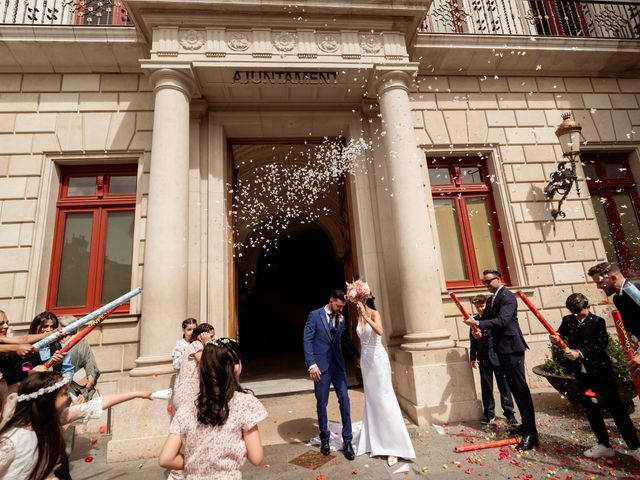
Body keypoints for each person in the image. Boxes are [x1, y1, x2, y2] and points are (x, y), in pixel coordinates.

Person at [0, 371, 152, 480]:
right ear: (47, 400)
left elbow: (95, 405)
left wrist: (137, 393)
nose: (69, 398)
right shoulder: (11, 441)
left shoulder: (53, 421)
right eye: (64, 393)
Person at [550, 293, 640, 461]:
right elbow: (559, 334)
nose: (576, 315)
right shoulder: (568, 320)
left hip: (601, 373)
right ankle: (604, 444)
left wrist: (580, 353)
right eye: (573, 312)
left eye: (579, 312)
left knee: (617, 409)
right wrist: (555, 338)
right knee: (591, 409)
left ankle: (635, 447)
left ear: (587, 307)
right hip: (582, 375)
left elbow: (600, 344)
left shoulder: (598, 322)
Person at [159, 338, 267, 479]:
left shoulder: (186, 409)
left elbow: (165, 459)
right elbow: (256, 458)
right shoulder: (244, 403)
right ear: (236, 367)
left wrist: (196, 461)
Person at [463, 269, 538, 451]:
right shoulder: (491, 299)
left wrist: (479, 323)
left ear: (499, 279)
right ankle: (525, 426)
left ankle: (531, 433)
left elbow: (503, 321)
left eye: (488, 281)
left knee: (520, 389)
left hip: (512, 348)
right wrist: (477, 327)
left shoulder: (508, 297)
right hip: (501, 350)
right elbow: (487, 319)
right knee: (513, 388)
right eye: (484, 282)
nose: (486, 285)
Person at [350, 289, 415, 467]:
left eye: (357, 301)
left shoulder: (374, 313)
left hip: (378, 360)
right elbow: (361, 338)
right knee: (371, 399)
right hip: (366, 360)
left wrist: (366, 316)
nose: (355, 305)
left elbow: (379, 331)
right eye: (354, 302)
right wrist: (359, 356)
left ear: (364, 300)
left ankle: (394, 446)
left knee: (384, 399)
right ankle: (373, 441)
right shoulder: (357, 316)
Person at [303, 290, 360, 460]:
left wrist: (359, 354)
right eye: (338, 306)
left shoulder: (340, 318)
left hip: (338, 366)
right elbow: (307, 340)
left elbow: (345, 339)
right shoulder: (314, 316)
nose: (340, 309)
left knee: (345, 399)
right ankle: (325, 439)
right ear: (331, 301)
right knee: (322, 402)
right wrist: (311, 364)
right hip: (320, 367)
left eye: (342, 307)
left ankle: (347, 440)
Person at [468, 294, 517, 426]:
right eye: (477, 307)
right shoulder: (474, 321)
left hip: (498, 357)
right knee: (486, 387)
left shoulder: (493, 319)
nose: (480, 309)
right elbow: (473, 341)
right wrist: (473, 356)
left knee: (504, 386)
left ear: (486, 305)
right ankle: (489, 413)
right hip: (483, 358)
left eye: (482, 306)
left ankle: (509, 413)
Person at [587, 262, 640, 376]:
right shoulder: (618, 298)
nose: (598, 286)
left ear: (613, 278)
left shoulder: (636, 291)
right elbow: (629, 326)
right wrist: (628, 340)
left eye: (599, 282)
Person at [172, 323, 214, 412]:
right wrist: (208, 343)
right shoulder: (196, 344)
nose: (212, 339)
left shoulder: (197, 346)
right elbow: (205, 363)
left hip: (190, 389)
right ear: (200, 336)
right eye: (210, 336)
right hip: (190, 391)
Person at [59, 316, 100, 400]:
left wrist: (91, 377)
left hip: (74, 388)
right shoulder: (53, 341)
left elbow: (89, 361)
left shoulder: (80, 341)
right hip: (55, 387)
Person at [27, 312, 74, 379]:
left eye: (52, 326)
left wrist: (63, 383)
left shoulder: (61, 347)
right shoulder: (26, 348)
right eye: (45, 326)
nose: (49, 330)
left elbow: (68, 371)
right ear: (35, 327)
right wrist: (31, 372)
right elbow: (21, 372)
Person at [173, 318, 198, 387]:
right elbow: (176, 365)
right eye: (189, 329)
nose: (192, 332)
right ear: (184, 330)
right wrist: (189, 354)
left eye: (194, 329)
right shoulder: (180, 344)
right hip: (183, 381)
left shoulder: (199, 343)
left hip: (196, 380)